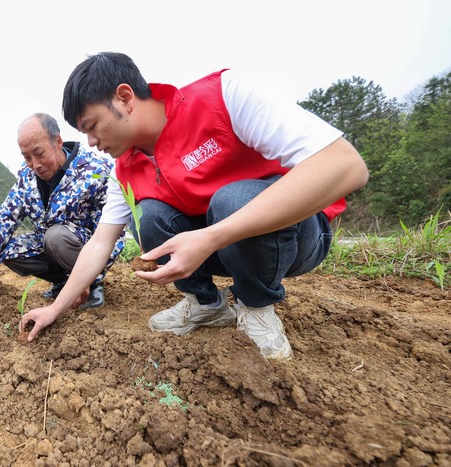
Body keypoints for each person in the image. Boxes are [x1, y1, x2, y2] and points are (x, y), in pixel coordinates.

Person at [20, 52, 369, 359]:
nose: (91, 142)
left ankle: (256, 307)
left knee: (232, 200)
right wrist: (55, 308)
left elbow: (346, 166)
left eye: (92, 126)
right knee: (148, 216)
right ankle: (206, 304)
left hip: (296, 239)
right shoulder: (124, 170)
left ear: (124, 98)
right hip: (219, 249)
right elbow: (100, 242)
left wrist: (211, 237)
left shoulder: (222, 99)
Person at [0, 113, 124, 309]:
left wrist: (89, 272)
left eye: (39, 153)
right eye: (27, 157)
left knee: (55, 237)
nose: (35, 164)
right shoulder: (27, 176)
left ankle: (91, 284)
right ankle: (64, 282)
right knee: (4, 248)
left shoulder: (96, 171)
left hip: (85, 250)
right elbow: (5, 215)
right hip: (48, 246)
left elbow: (113, 237)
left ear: (58, 142)